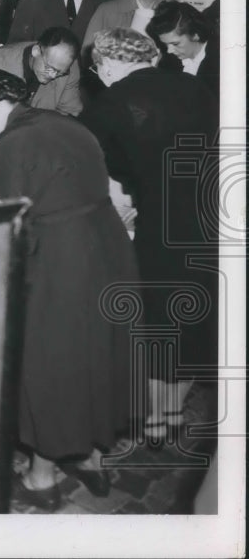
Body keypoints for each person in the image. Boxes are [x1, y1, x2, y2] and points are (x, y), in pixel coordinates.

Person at [0, 69, 138, 511]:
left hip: (60, 262)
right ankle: (91, 459)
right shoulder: (66, 123)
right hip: (108, 250)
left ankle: (40, 478)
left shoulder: (8, 145)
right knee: (95, 355)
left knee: (48, 365)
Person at [81, 28, 218, 442]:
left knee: (158, 318)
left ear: (106, 64)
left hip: (161, 223)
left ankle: (155, 422)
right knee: (194, 316)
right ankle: (173, 413)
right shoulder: (195, 86)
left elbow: (86, 156)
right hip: (212, 218)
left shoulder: (111, 100)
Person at [0, 26, 84, 116]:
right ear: (36, 51)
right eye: (50, 67)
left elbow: (69, 112)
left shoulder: (68, 67)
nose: (53, 75)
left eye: (60, 72)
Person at [145, 0, 219, 99]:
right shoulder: (169, 60)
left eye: (175, 44)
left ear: (195, 35)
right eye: (165, 44)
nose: (169, 50)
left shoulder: (221, 62)